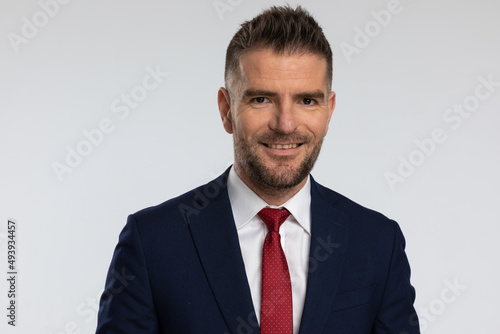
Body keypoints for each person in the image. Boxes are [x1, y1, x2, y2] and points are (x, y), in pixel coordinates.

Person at [96, 5, 420, 334]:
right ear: (226, 110)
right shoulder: (153, 242)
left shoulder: (378, 243)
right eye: (262, 99)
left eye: (307, 100)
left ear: (328, 111)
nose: (285, 124)